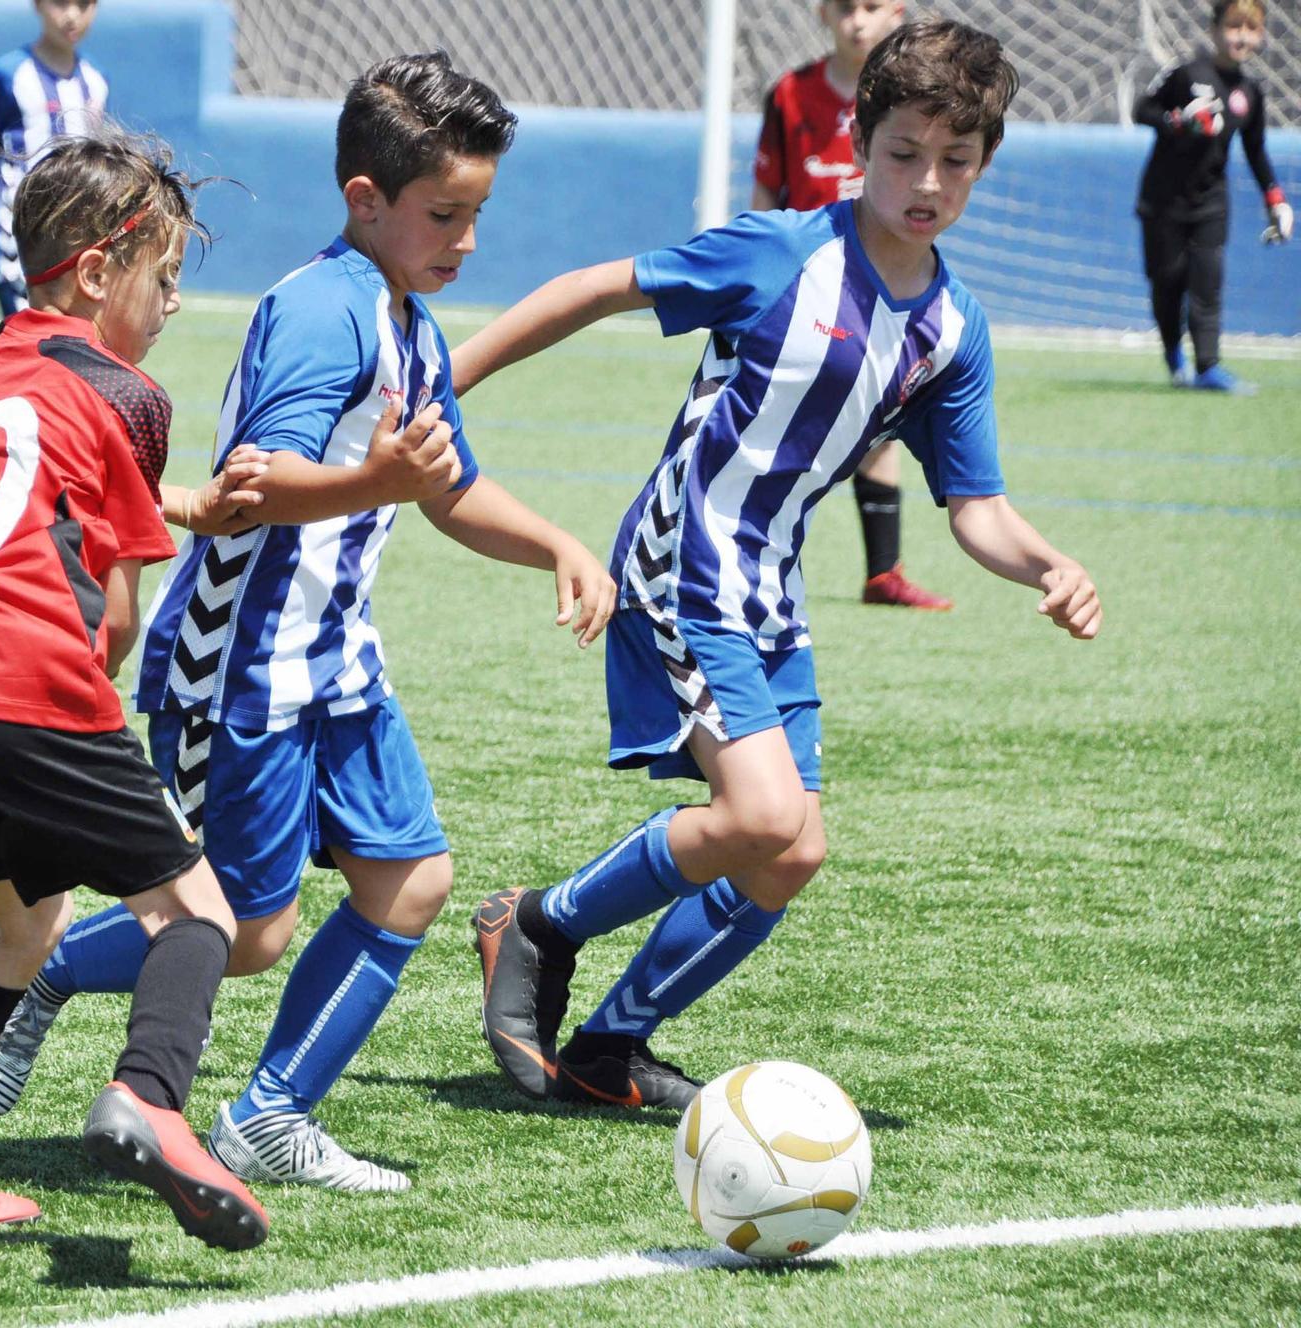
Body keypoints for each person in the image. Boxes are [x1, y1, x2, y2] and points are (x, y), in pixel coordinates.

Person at [0, 52, 617, 1192]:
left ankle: (267, 1113)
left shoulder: (406, 318)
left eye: (476, 214)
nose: (465, 239)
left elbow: (444, 484)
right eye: (443, 214)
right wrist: (375, 481)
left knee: (410, 879)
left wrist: (556, 543)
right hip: (244, 668)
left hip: (339, 665)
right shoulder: (324, 309)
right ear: (364, 199)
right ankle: (52, 966)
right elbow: (250, 482)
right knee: (249, 929)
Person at [458, 20, 1102, 1111]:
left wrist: (1045, 563)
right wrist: (445, 377)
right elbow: (592, 288)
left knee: (786, 853)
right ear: (860, 140)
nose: (926, 182)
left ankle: (609, 1045)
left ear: (983, 163)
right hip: (680, 565)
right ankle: (534, 922)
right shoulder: (779, 254)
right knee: (757, 813)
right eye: (903, 153)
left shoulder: (952, 326)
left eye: (954, 161)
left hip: (769, 593)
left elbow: (975, 508)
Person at [0, 129, 277, 1251]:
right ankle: (150, 1094)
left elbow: (41, 473)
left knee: (26, 926)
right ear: (95, 272)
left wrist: (165, 499)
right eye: (164, 277)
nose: (173, 304)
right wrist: (93, 704)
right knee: (199, 914)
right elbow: (114, 609)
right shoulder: (129, 394)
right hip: (17, 684)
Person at [752, 0, 950, 611]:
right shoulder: (790, 94)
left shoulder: (914, 106)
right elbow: (767, 189)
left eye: (871, 8)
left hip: (877, 286)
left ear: (898, 13)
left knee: (879, 424)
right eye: (845, 8)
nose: (857, 22)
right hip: (807, 288)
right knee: (786, 427)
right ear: (822, 14)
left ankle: (883, 572)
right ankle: (748, 552)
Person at [1134, 0, 1291, 395]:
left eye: (1251, 28)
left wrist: (1276, 200)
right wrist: (1178, 120)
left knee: (1207, 283)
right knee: (1167, 284)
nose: (1241, 36)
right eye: (1233, 26)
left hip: (1211, 203)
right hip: (1163, 200)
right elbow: (1143, 110)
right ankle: (1173, 353)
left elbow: (1256, 151)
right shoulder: (1186, 74)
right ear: (1214, 29)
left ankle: (1209, 367)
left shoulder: (1251, 92)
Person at [0, 0, 110, 317]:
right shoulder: (10, 75)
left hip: (79, 247)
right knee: (33, 350)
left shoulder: (96, 79)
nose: (71, 15)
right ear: (37, 5)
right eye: (59, 3)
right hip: (19, 248)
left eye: (84, 4)